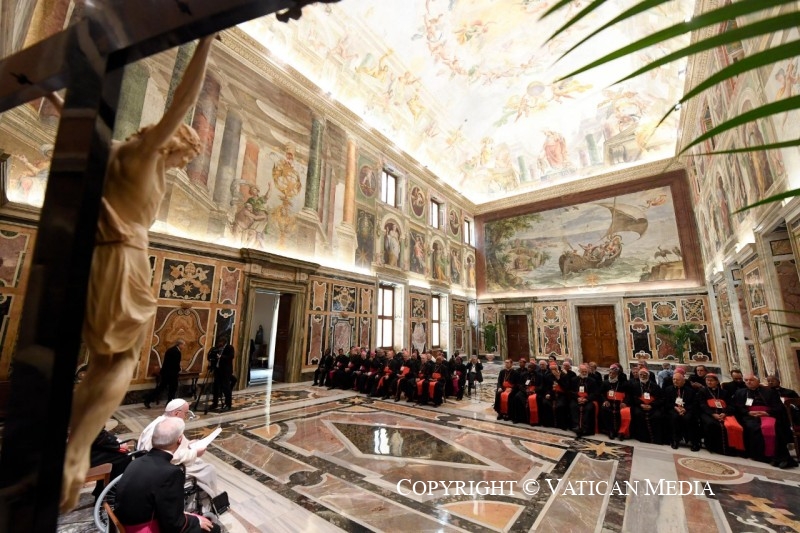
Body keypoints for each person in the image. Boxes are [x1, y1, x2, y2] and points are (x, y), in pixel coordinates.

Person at [59, 35, 216, 512]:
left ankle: (74, 443)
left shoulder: (116, 154)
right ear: (169, 139)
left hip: (101, 250)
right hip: (124, 254)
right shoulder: (147, 153)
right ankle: (73, 455)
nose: (182, 161)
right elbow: (184, 99)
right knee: (119, 363)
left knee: (101, 362)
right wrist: (208, 38)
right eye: (184, 153)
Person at [115, 417, 216, 532]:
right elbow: (174, 525)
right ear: (179, 440)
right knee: (213, 528)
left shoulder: (136, 461)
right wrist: (196, 521)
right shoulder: (171, 473)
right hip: (145, 527)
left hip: (130, 520)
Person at [138, 399, 220, 498]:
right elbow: (168, 456)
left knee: (200, 463)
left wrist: (189, 444)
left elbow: (172, 446)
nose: (186, 417)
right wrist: (194, 453)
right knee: (208, 469)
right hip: (163, 468)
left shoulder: (163, 422)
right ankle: (209, 500)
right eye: (186, 413)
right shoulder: (165, 426)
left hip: (152, 463)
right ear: (177, 413)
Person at [733, 374, 797, 468]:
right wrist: (748, 413)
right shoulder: (740, 392)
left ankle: (780, 457)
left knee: (774, 428)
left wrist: (767, 412)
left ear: (758, 381)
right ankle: (762, 457)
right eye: (746, 380)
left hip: (768, 415)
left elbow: (779, 407)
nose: (748, 382)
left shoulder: (770, 392)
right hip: (749, 416)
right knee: (753, 427)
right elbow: (737, 407)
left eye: (751, 380)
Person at [89, 428, 132, 501]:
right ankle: (111, 495)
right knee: (123, 457)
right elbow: (98, 434)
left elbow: (100, 432)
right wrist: (117, 445)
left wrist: (116, 441)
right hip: (79, 454)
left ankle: (100, 491)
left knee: (112, 452)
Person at [663, 371, 699, 451]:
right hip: (673, 409)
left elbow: (694, 403)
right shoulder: (668, 390)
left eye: (678, 380)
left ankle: (693, 442)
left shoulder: (690, 391)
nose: (675, 381)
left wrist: (685, 409)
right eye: (674, 379)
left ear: (684, 381)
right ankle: (675, 440)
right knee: (674, 417)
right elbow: (666, 402)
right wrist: (675, 408)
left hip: (687, 409)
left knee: (688, 418)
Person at [145, 339, 185, 409]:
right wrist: (179, 369)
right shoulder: (177, 352)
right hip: (171, 374)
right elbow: (175, 364)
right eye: (183, 345)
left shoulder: (170, 350)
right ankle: (169, 403)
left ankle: (148, 399)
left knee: (161, 388)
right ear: (180, 344)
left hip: (166, 373)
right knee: (172, 388)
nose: (183, 347)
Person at [210, 337, 235, 411]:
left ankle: (228, 404)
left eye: (220, 342)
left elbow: (231, 356)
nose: (218, 344)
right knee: (216, 387)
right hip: (218, 370)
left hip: (226, 371)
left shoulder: (229, 347)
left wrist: (221, 357)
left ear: (223, 342)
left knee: (226, 388)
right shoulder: (218, 348)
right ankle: (215, 403)